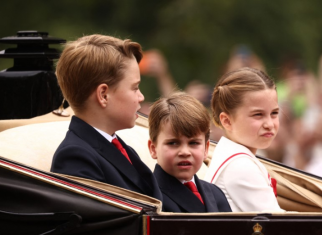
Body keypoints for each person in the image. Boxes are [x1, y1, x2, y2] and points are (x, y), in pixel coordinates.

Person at [51, 34, 162, 201]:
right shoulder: (75, 158)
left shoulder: (121, 148)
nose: (141, 96)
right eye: (135, 88)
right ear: (103, 95)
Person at [204, 67, 283, 212]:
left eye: (274, 113)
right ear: (227, 121)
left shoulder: (233, 156)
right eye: (258, 114)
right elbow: (279, 226)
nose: (269, 124)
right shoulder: (239, 165)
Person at [148, 93, 231, 213]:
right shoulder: (150, 198)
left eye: (193, 143)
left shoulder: (216, 194)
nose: (185, 152)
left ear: (206, 149)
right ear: (153, 148)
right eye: (173, 143)